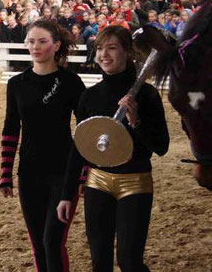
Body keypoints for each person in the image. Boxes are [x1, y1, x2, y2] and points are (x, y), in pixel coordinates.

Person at [57, 25, 169, 272]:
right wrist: (66, 195)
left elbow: (161, 147)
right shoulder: (89, 97)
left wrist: (135, 121)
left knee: (130, 262)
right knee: (100, 262)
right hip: (97, 183)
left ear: (128, 52)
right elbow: (80, 149)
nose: (104, 54)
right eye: (99, 48)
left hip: (136, 183)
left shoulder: (147, 95)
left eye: (112, 48)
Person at [0, 19, 87, 272]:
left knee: (53, 242)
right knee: (38, 244)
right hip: (29, 173)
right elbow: (10, 130)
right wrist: (5, 175)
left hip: (64, 172)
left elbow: (84, 132)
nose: (35, 46)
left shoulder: (71, 82)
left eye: (42, 41)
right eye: (31, 41)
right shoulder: (17, 84)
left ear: (56, 45)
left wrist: (82, 175)